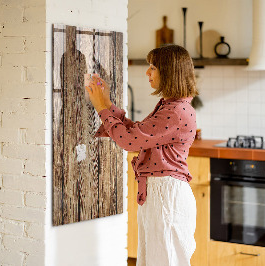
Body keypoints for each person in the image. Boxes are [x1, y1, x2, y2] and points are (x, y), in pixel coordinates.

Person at [85, 44, 198, 266]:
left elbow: (129, 141)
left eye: (153, 67)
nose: (147, 72)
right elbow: (137, 133)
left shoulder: (175, 111)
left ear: (169, 71)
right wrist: (107, 103)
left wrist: (101, 108)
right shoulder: (171, 106)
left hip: (166, 196)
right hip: (160, 194)